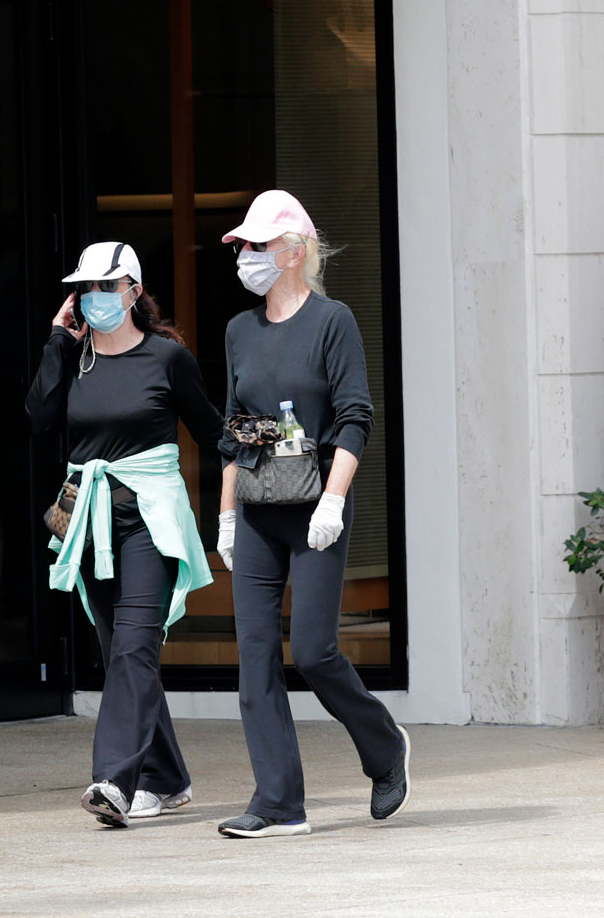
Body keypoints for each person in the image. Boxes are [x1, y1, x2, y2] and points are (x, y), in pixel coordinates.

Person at [212, 190, 410, 839]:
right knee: (255, 655)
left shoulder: (333, 322)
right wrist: (225, 517)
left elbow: (356, 417)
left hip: (317, 506)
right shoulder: (239, 332)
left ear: (295, 251)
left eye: (258, 245)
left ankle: (384, 749)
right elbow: (234, 432)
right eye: (242, 246)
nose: (246, 256)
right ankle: (278, 802)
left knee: (315, 651)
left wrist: (334, 498)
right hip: (259, 506)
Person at [25, 241, 219, 827]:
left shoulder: (166, 358)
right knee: (121, 655)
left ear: (134, 292)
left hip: (149, 522)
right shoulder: (74, 356)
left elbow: (211, 431)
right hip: (91, 521)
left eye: (106, 288)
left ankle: (114, 779)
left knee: (135, 648)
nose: (94, 299)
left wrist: (251, 496)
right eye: (84, 289)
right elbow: (38, 419)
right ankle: (168, 779)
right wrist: (58, 342)